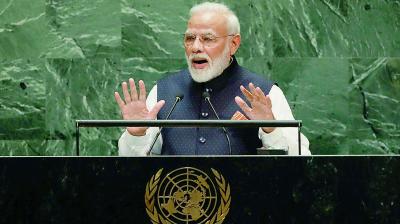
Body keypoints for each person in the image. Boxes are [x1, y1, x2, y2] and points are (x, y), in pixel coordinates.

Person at [115, 2, 310, 156]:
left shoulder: (264, 93)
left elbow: (300, 161)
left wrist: (271, 128)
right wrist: (136, 134)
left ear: (233, 44)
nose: (196, 47)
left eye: (208, 39)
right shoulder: (164, 91)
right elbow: (133, 168)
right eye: (190, 38)